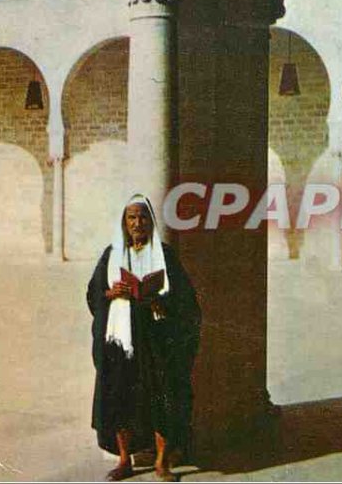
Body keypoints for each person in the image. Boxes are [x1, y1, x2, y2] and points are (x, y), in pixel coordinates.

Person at [87, 194, 201, 482]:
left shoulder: (164, 255)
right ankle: (125, 460)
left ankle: (162, 462)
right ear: (124, 223)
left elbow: (186, 300)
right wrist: (111, 294)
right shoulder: (111, 255)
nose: (137, 223)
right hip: (121, 341)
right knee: (119, 398)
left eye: (143, 217)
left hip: (156, 340)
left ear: (150, 221)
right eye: (131, 217)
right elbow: (93, 294)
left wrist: (160, 302)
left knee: (162, 397)